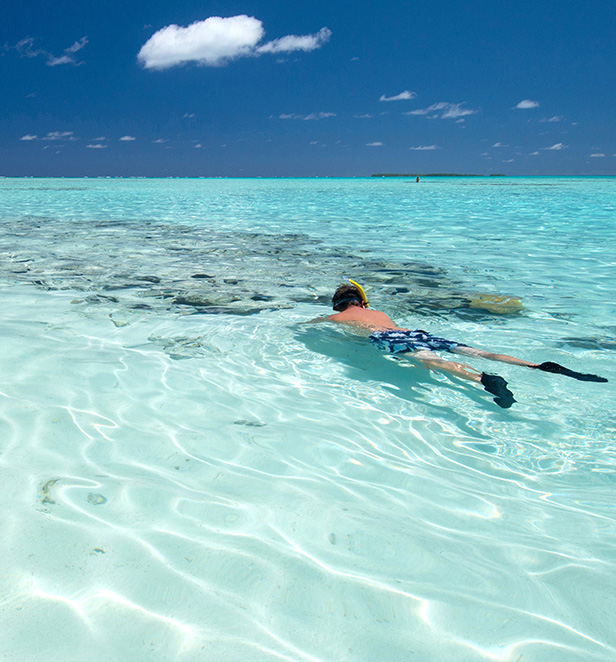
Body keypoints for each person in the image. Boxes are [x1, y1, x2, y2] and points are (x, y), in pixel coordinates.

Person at [312, 282, 607, 408]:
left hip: (388, 338)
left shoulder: (336, 318)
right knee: (473, 351)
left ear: (338, 307)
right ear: (362, 301)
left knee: (431, 361)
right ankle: (535, 365)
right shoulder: (378, 312)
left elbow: (310, 327)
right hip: (413, 331)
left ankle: (482, 378)